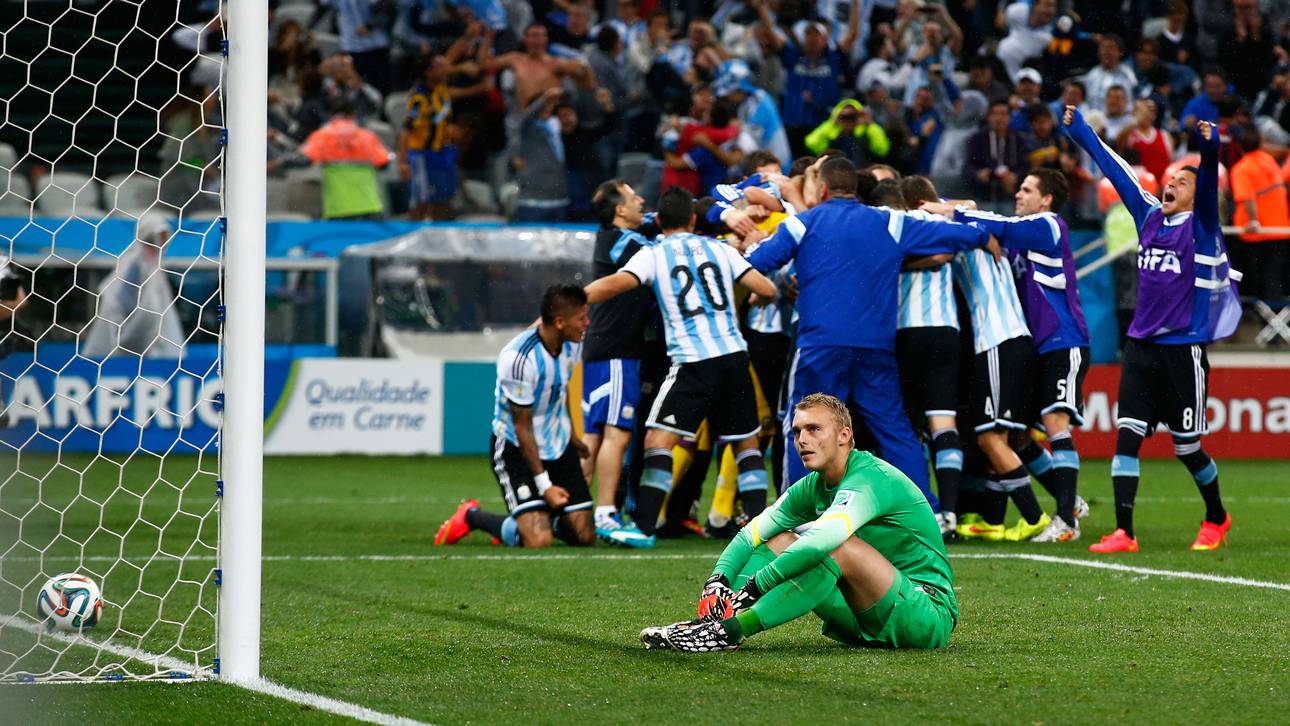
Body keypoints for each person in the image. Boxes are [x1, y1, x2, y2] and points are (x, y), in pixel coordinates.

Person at [746, 157, 994, 502]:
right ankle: (921, 509)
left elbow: (754, 263)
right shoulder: (890, 222)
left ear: (822, 188)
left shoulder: (802, 224)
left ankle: (798, 510)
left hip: (821, 343)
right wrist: (981, 235)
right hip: (875, 347)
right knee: (893, 429)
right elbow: (951, 234)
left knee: (804, 426)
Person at [638, 393, 957, 652]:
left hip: (924, 615)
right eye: (796, 431)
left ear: (845, 436)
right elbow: (752, 533)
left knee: (835, 546)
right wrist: (717, 580)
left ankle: (734, 630)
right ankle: (717, 625)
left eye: (814, 429)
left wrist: (758, 583)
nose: (802, 439)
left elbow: (824, 540)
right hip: (863, 612)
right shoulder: (813, 485)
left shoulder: (871, 479)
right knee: (776, 537)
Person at [1063, 106, 1241, 553]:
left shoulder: (1201, 228)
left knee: (1186, 448)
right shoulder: (1149, 218)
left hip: (1183, 350)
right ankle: (1125, 532)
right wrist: (1082, 131)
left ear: (1197, 195)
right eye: (1171, 180)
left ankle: (1216, 517)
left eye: (1182, 182)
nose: (1171, 184)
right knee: (1126, 438)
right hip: (1141, 347)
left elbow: (1207, 187)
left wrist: (1208, 147)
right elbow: (1115, 169)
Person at [583, 187, 779, 539]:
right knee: (745, 445)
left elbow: (616, 284)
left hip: (693, 361)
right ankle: (761, 531)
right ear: (692, 219)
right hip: (735, 356)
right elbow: (766, 289)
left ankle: (643, 528)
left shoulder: (654, 254)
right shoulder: (720, 248)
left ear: (658, 222)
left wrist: (574, 298)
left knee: (658, 441)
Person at [933, 169, 1092, 543]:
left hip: (1062, 341)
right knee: (1019, 438)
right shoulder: (1021, 242)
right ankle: (1072, 502)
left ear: (1047, 198)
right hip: (1034, 349)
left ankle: (1065, 521)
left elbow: (999, 225)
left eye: (1026, 189)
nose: (1018, 194)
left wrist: (951, 211)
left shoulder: (1049, 226)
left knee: (1055, 423)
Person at [435, 285, 595, 549]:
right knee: (538, 540)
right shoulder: (519, 359)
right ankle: (471, 517)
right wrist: (545, 486)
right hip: (516, 447)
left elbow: (560, 387)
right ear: (559, 322)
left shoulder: (572, 344)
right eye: (581, 318)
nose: (587, 323)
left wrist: (572, 434)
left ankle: (540, 517)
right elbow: (523, 427)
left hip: (556, 442)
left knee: (585, 536)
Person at [581, 180, 658, 547]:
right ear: (619, 210)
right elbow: (659, 250)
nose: (640, 199)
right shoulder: (623, 242)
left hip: (601, 347)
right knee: (617, 432)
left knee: (594, 436)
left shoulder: (612, 238)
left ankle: (577, 510)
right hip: (616, 352)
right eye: (633, 197)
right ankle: (606, 513)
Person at [81, 213, 185, 359]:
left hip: (151, 347)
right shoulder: (134, 265)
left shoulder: (154, 266)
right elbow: (120, 307)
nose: (163, 243)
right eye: (159, 238)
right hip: (128, 350)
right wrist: (130, 339)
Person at [1230, 126, 1290, 301]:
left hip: (1258, 234)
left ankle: (1265, 320)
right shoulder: (1269, 160)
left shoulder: (1242, 169)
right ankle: (1275, 321)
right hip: (1280, 230)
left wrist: (1254, 221)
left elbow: (1247, 198)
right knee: (1274, 278)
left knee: (1257, 280)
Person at [963, 100, 1028, 211]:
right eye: (995, 114)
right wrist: (978, 174)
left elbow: (1025, 165)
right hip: (984, 196)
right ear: (988, 117)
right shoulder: (977, 138)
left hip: (1011, 197)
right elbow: (967, 167)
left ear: (1010, 117)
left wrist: (1015, 177)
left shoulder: (1018, 139)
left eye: (1003, 114)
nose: (999, 118)